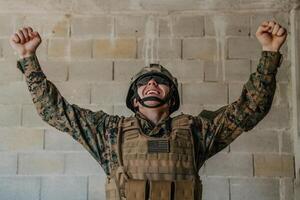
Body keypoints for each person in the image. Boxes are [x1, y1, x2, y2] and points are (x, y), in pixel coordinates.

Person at [9, 21, 287, 200]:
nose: (152, 83)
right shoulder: (109, 132)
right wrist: (27, 58)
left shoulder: (196, 131)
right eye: (144, 83)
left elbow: (250, 109)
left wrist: (269, 53)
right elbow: (55, 112)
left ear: (172, 97)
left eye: (160, 82)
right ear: (134, 99)